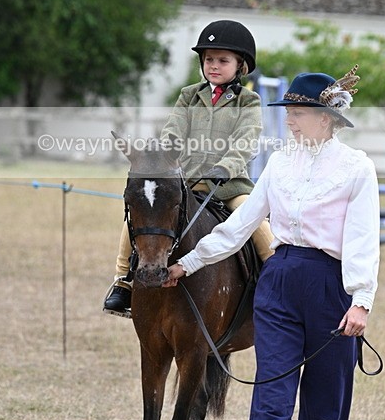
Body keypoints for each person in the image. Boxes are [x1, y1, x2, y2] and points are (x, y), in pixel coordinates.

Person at [164, 66, 380, 420]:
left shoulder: (357, 168)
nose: (290, 120)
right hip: (279, 283)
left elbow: (364, 237)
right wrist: (191, 262)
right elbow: (240, 227)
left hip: (331, 287)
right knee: (271, 400)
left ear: (327, 118)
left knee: (325, 408)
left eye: (299, 112)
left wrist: (361, 300)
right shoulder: (280, 163)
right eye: (289, 112)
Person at [103, 19, 274, 317]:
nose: (214, 66)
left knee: (258, 225)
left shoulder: (248, 101)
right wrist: (160, 156)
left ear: (241, 65)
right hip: (187, 184)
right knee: (138, 216)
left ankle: (275, 284)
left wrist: (225, 167)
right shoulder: (189, 95)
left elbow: (246, 142)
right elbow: (173, 132)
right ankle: (123, 283)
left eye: (223, 60)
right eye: (209, 60)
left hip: (229, 185)